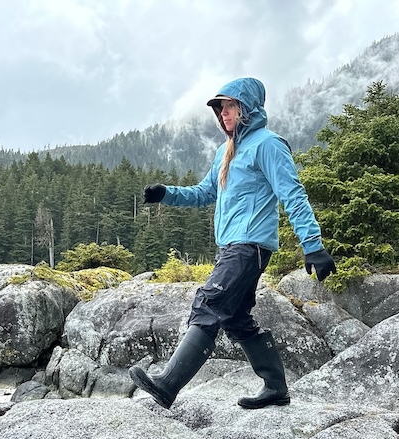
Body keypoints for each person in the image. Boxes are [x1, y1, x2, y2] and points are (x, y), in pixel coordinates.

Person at [129, 77, 336, 410]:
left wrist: (312, 244)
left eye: (230, 106)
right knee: (236, 319)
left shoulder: (268, 144)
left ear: (247, 108)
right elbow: (205, 193)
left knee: (208, 304)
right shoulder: (226, 151)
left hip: (249, 246)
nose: (224, 113)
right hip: (234, 248)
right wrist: (167, 194)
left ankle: (168, 384)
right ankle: (275, 388)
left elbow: (292, 194)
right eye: (220, 108)